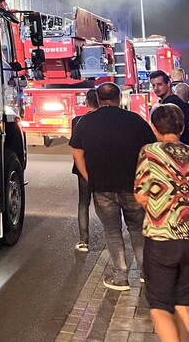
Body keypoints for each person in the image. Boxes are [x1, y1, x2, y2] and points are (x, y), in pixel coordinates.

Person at [135, 104, 189, 342]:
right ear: (180, 127)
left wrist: (161, 213)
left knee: (159, 304)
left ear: (154, 127)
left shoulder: (150, 151)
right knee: (182, 298)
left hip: (163, 238)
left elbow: (140, 193)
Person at [70, 82, 155, 291]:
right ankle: (146, 274)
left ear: (98, 100)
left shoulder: (85, 122)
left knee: (112, 231)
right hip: (132, 185)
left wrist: (89, 177)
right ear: (119, 99)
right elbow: (149, 149)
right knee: (137, 230)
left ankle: (121, 277)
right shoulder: (135, 120)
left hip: (102, 187)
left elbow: (77, 152)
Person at [71, 88, 99, 252]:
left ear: (86, 102)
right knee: (107, 204)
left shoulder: (77, 121)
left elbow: (75, 148)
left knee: (83, 203)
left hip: (83, 167)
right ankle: (113, 235)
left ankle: (83, 241)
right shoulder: (105, 121)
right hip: (101, 165)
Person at [150, 71, 189, 150]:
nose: (156, 88)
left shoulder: (162, 110)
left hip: (171, 154)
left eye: (159, 84)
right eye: (153, 85)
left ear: (168, 84)